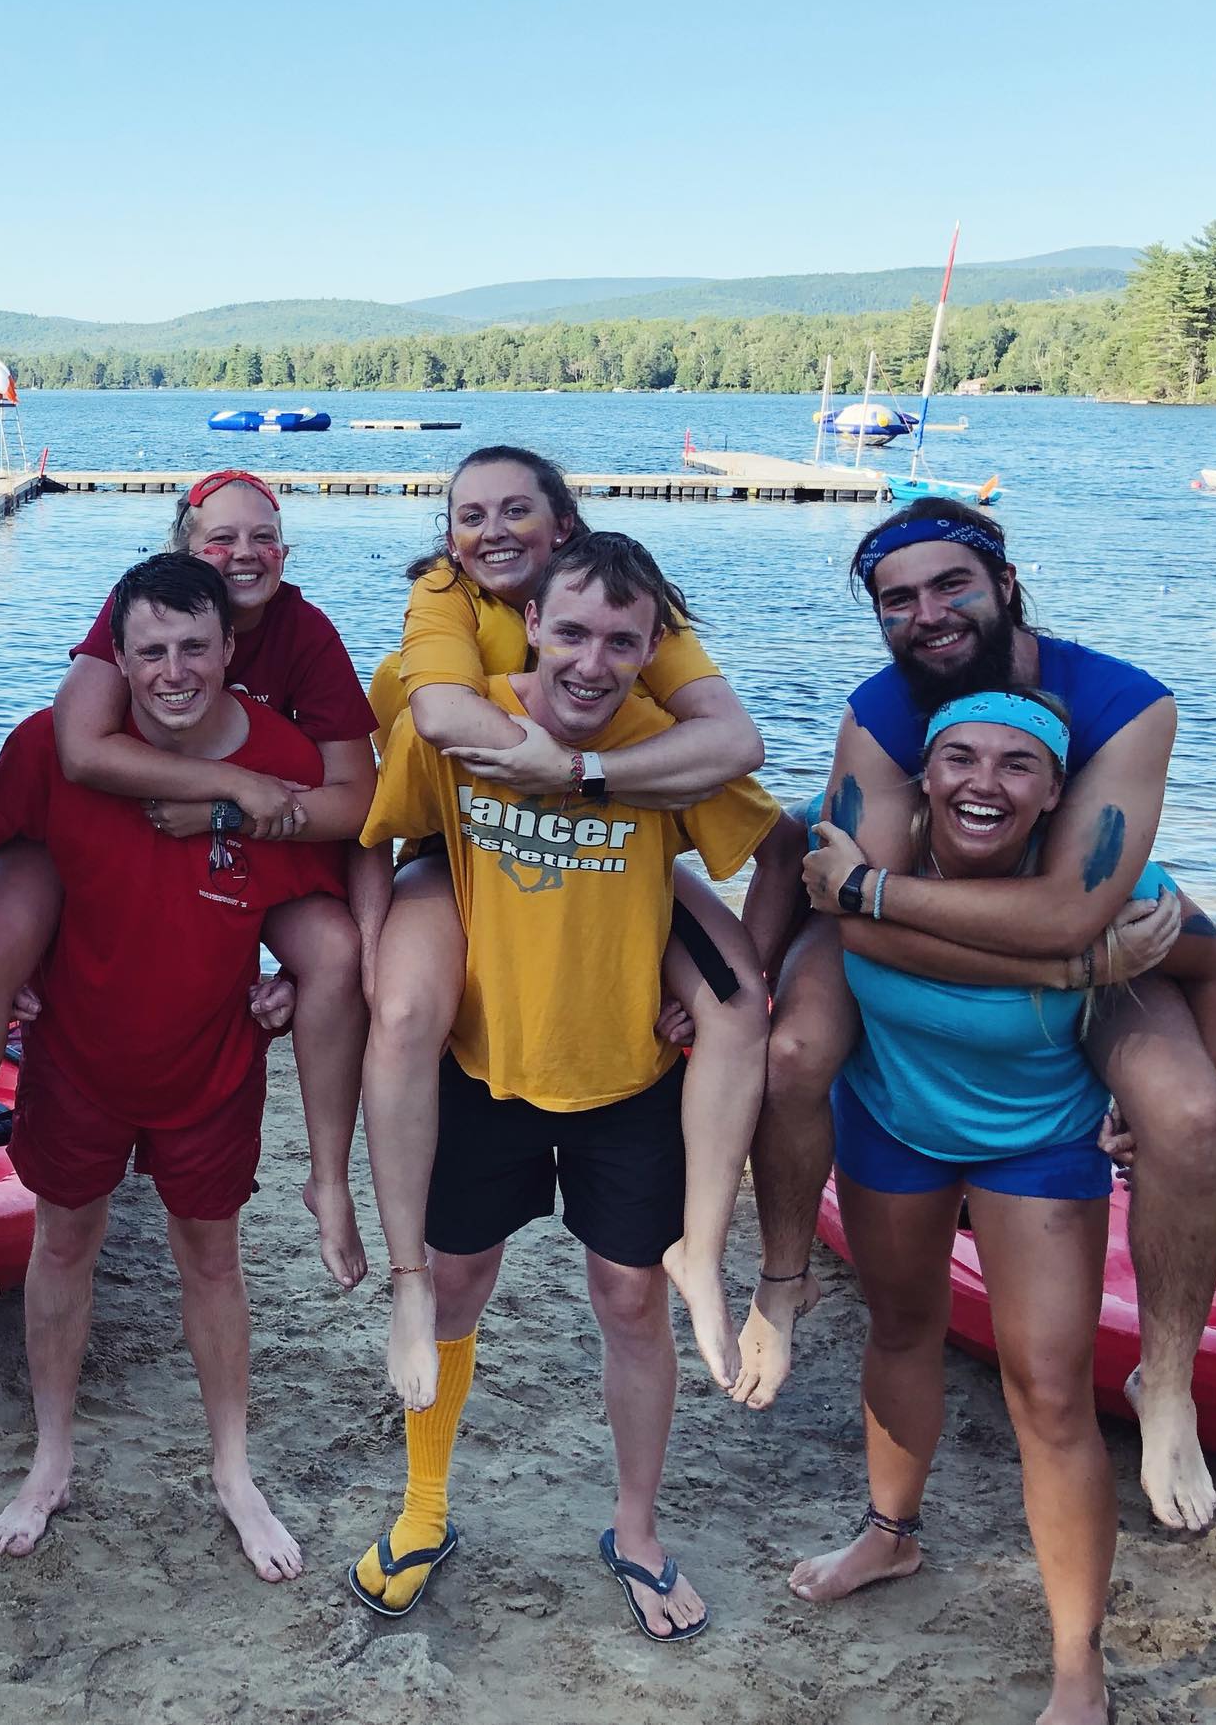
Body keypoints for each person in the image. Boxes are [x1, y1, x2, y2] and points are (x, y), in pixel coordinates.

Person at [742, 501, 1216, 1536]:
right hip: (999, 945)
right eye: (896, 600)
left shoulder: (1122, 703)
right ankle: (781, 1275)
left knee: (1190, 1115)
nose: (926, 614)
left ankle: (1165, 1379)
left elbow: (1078, 911)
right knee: (793, 1047)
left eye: (950, 585)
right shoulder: (881, 712)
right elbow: (857, 922)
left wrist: (1131, 1093)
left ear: (1005, 584)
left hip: (1094, 937)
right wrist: (1064, 958)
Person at [348, 532, 806, 1634]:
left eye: (621, 641)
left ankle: (636, 1531)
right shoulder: (462, 728)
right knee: (456, 1282)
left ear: (652, 649)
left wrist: (722, 980)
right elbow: (378, 833)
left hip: (626, 1080)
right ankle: (422, 1510)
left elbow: (779, 842)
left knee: (629, 1299)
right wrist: (371, 961)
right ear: (531, 625)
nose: (592, 662)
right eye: (571, 633)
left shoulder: (663, 744)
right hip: (485, 1066)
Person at [788, 691, 1216, 1725]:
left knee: (1050, 1392)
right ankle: (888, 1537)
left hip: (1037, 1144)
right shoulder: (867, 858)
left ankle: (1079, 1666)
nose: (981, 783)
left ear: (1055, 792)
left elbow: (1214, 965)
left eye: (1015, 764)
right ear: (924, 773)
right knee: (901, 1329)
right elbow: (782, 892)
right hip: (891, 1123)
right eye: (958, 757)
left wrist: (1159, 1119)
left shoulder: (1111, 889)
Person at [359, 446, 776, 1405]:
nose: (492, 531)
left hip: (608, 833)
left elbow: (737, 746)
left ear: (564, 528)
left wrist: (583, 775)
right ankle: (407, 1275)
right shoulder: (444, 597)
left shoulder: (630, 613)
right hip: (456, 842)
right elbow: (435, 716)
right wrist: (368, 951)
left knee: (738, 1005)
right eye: (470, 516)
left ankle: (703, 1253)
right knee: (406, 1011)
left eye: (518, 511)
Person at [0, 553, 347, 1582]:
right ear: (116, 659)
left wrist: (295, 978)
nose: (174, 672)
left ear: (229, 647)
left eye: (193, 648)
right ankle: (51, 1456)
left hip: (210, 1062)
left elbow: (324, 890)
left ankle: (233, 1470)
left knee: (211, 1259)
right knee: (64, 1241)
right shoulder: (48, 745)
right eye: (150, 653)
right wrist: (5, 966)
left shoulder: (280, 757)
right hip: (77, 1051)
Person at [0, 468, 378, 1290]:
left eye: (264, 538)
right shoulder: (140, 606)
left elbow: (356, 805)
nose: (244, 554)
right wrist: (230, 786)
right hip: (134, 825)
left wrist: (225, 815)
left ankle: (329, 1180)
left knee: (335, 952)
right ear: (183, 549)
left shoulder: (304, 632)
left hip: (245, 845)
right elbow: (76, 751)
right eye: (221, 539)